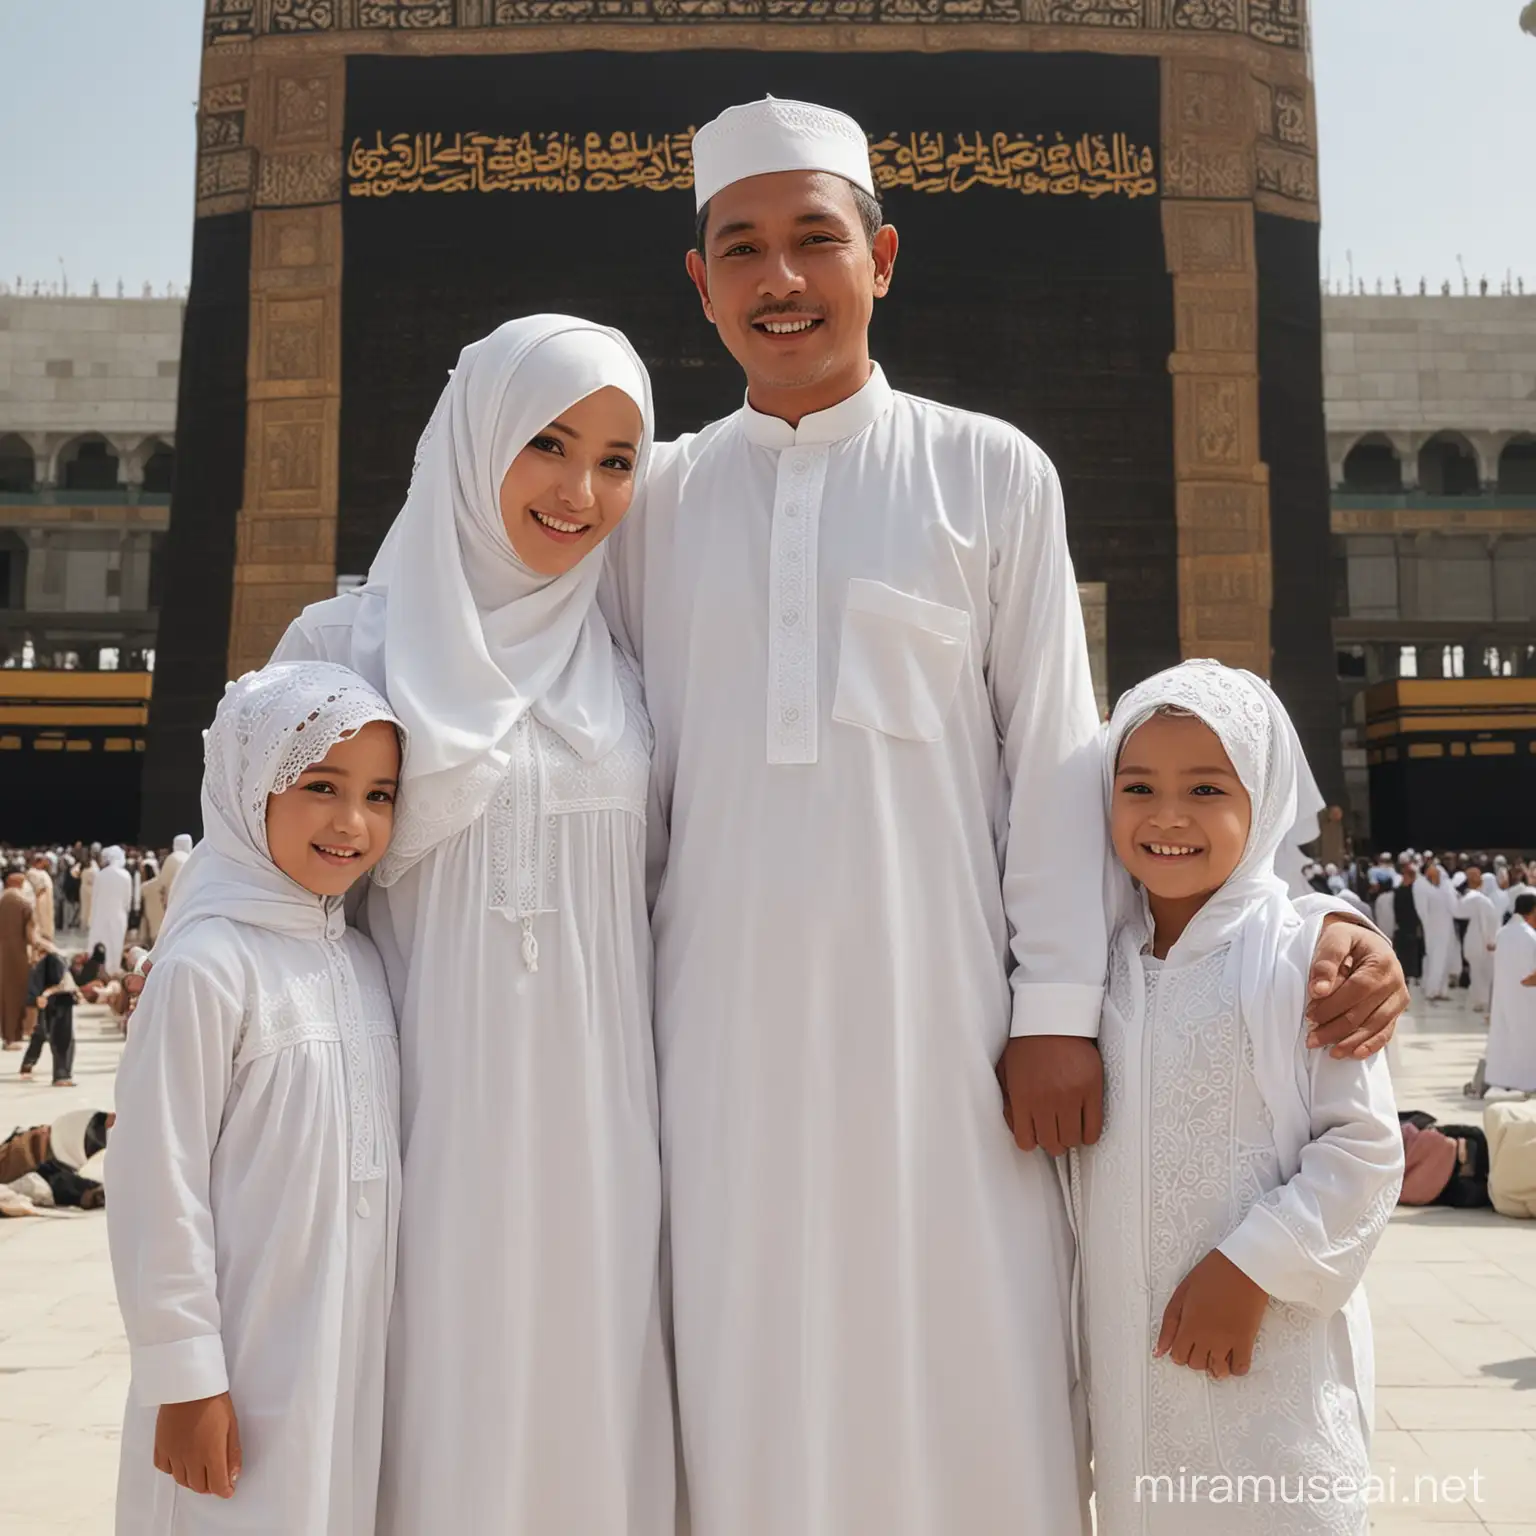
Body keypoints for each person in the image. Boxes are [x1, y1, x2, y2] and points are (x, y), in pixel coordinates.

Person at [602, 96, 1407, 1535]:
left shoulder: (987, 473)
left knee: (964, 1362)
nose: (781, 280)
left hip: (956, 1036)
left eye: (815, 242)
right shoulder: (651, 506)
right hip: (706, 1032)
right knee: (737, 1357)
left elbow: (1056, 755)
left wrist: (1054, 1006)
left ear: (883, 258)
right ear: (700, 281)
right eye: (743, 250)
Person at [272, 318, 675, 1534]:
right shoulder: (343, 648)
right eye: (547, 443)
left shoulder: (629, 652)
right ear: (471, 441)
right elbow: (263, 906)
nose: (581, 490)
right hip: (410, 1138)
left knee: (585, 1422)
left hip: (607, 1146)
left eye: (616, 459)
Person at [1080, 661, 1402, 1536]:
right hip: (1132, 1371)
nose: (1168, 815)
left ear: (1260, 800)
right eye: (1137, 785)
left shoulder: (1301, 952)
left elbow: (1364, 1149)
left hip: (1269, 1354)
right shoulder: (1098, 961)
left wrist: (1251, 1267)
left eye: (1207, 788)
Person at [107, 662, 404, 1535]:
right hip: (237, 1369)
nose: (354, 822)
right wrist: (184, 1375)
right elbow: (157, 1183)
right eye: (321, 785)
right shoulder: (208, 965)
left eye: (380, 794)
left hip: (341, 1360)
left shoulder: (360, 962)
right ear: (249, 785)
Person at [1484, 894, 1536, 1095]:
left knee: (1507, 1038)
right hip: (1528, 999)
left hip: (1505, 998)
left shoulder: (1503, 933)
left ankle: (1503, 1078)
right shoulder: (1530, 937)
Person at [20, 938, 78, 1086]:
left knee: (45, 1033)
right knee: (59, 1038)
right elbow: (61, 982)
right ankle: (61, 1076)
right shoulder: (50, 961)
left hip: (55, 1001)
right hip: (57, 1001)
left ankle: (31, 1063)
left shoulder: (49, 961)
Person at [1, 871, 36, 1050]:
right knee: (17, 994)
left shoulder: (2, 900)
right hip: (18, 956)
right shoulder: (24, 903)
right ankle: (14, 1035)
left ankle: (6, 1035)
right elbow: (30, 936)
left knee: (4, 995)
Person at [1458, 867, 1500, 1013]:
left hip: (1480, 943)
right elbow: (1484, 923)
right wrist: (1489, 941)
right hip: (1482, 944)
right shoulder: (1483, 900)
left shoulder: (1484, 900)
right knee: (1480, 974)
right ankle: (1481, 1001)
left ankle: (1481, 1000)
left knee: (1479, 974)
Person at [1415, 860, 1458, 1001]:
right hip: (1435, 929)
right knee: (1436, 959)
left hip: (1446, 929)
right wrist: (1427, 927)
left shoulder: (1445, 887)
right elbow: (1423, 911)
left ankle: (1441, 990)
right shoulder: (1423, 886)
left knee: (1444, 959)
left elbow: (1454, 907)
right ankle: (1432, 990)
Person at [87, 847, 133, 978]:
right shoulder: (125, 876)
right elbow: (127, 900)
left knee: (101, 941)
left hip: (100, 914)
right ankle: (112, 971)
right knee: (115, 943)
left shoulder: (100, 875)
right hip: (118, 914)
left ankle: (98, 970)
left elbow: (94, 897)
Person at [25, 853, 55, 942]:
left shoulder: (43, 872)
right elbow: (36, 888)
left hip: (47, 899)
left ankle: (48, 937)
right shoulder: (31, 872)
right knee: (41, 919)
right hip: (40, 899)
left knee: (48, 919)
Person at [160, 833, 194, 910]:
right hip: (184, 903)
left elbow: (162, 883)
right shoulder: (188, 860)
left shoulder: (169, 858)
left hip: (169, 903)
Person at [138, 859, 165, 945]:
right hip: (164, 926)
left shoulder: (144, 887)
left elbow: (142, 910)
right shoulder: (162, 884)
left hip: (151, 927)